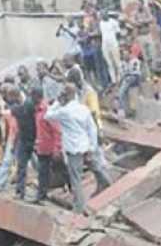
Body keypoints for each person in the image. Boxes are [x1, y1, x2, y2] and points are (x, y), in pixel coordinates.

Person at [45, 84, 111, 213]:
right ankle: (106, 183)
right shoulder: (83, 109)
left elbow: (47, 116)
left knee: (76, 178)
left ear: (66, 95)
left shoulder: (64, 112)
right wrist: (92, 146)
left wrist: (57, 102)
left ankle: (79, 207)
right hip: (85, 146)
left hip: (73, 150)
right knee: (96, 167)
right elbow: (91, 129)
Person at [33, 87, 61, 204]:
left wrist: (57, 149)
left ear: (37, 97)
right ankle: (41, 195)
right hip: (42, 148)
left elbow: (56, 131)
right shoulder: (36, 110)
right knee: (42, 172)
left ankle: (74, 191)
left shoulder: (47, 111)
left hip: (51, 148)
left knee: (62, 170)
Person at [100, 11, 123, 85]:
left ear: (107, 14)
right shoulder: (101, 23)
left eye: (104, 14)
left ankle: (121, 78)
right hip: (105, 45)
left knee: (117, 62)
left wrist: (116, 42)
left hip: (113, 44)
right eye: (101, 15)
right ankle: (113, 80)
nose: (103, 16)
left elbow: (118, 32)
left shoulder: (113, 22)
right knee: (109, 63)